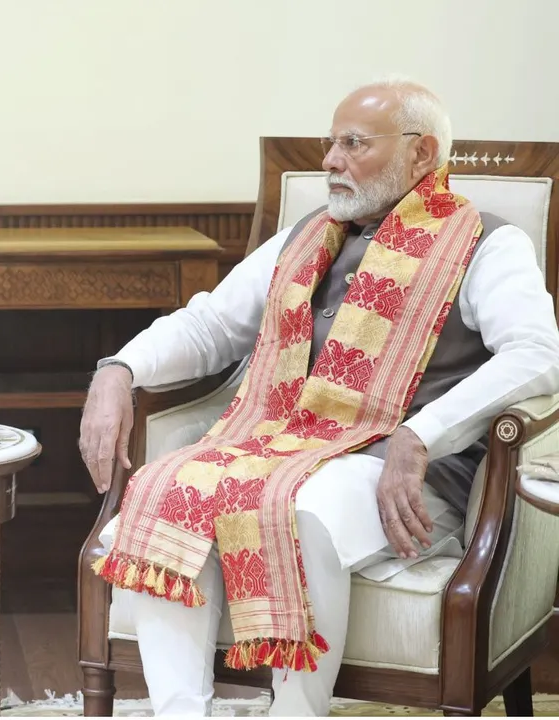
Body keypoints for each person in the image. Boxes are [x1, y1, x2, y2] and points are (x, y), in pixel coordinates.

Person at [79, 77, 559, 716]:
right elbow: (212, 324)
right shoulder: (308, 234)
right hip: (280, 444)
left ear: (422, 154)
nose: (330, 160)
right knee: (170, 489)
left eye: (354, 144)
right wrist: (119, 369)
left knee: (305, 508)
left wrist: (421, 436)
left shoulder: (487, 243)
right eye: (331, 143)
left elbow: (538, 355)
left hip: (403, 471)